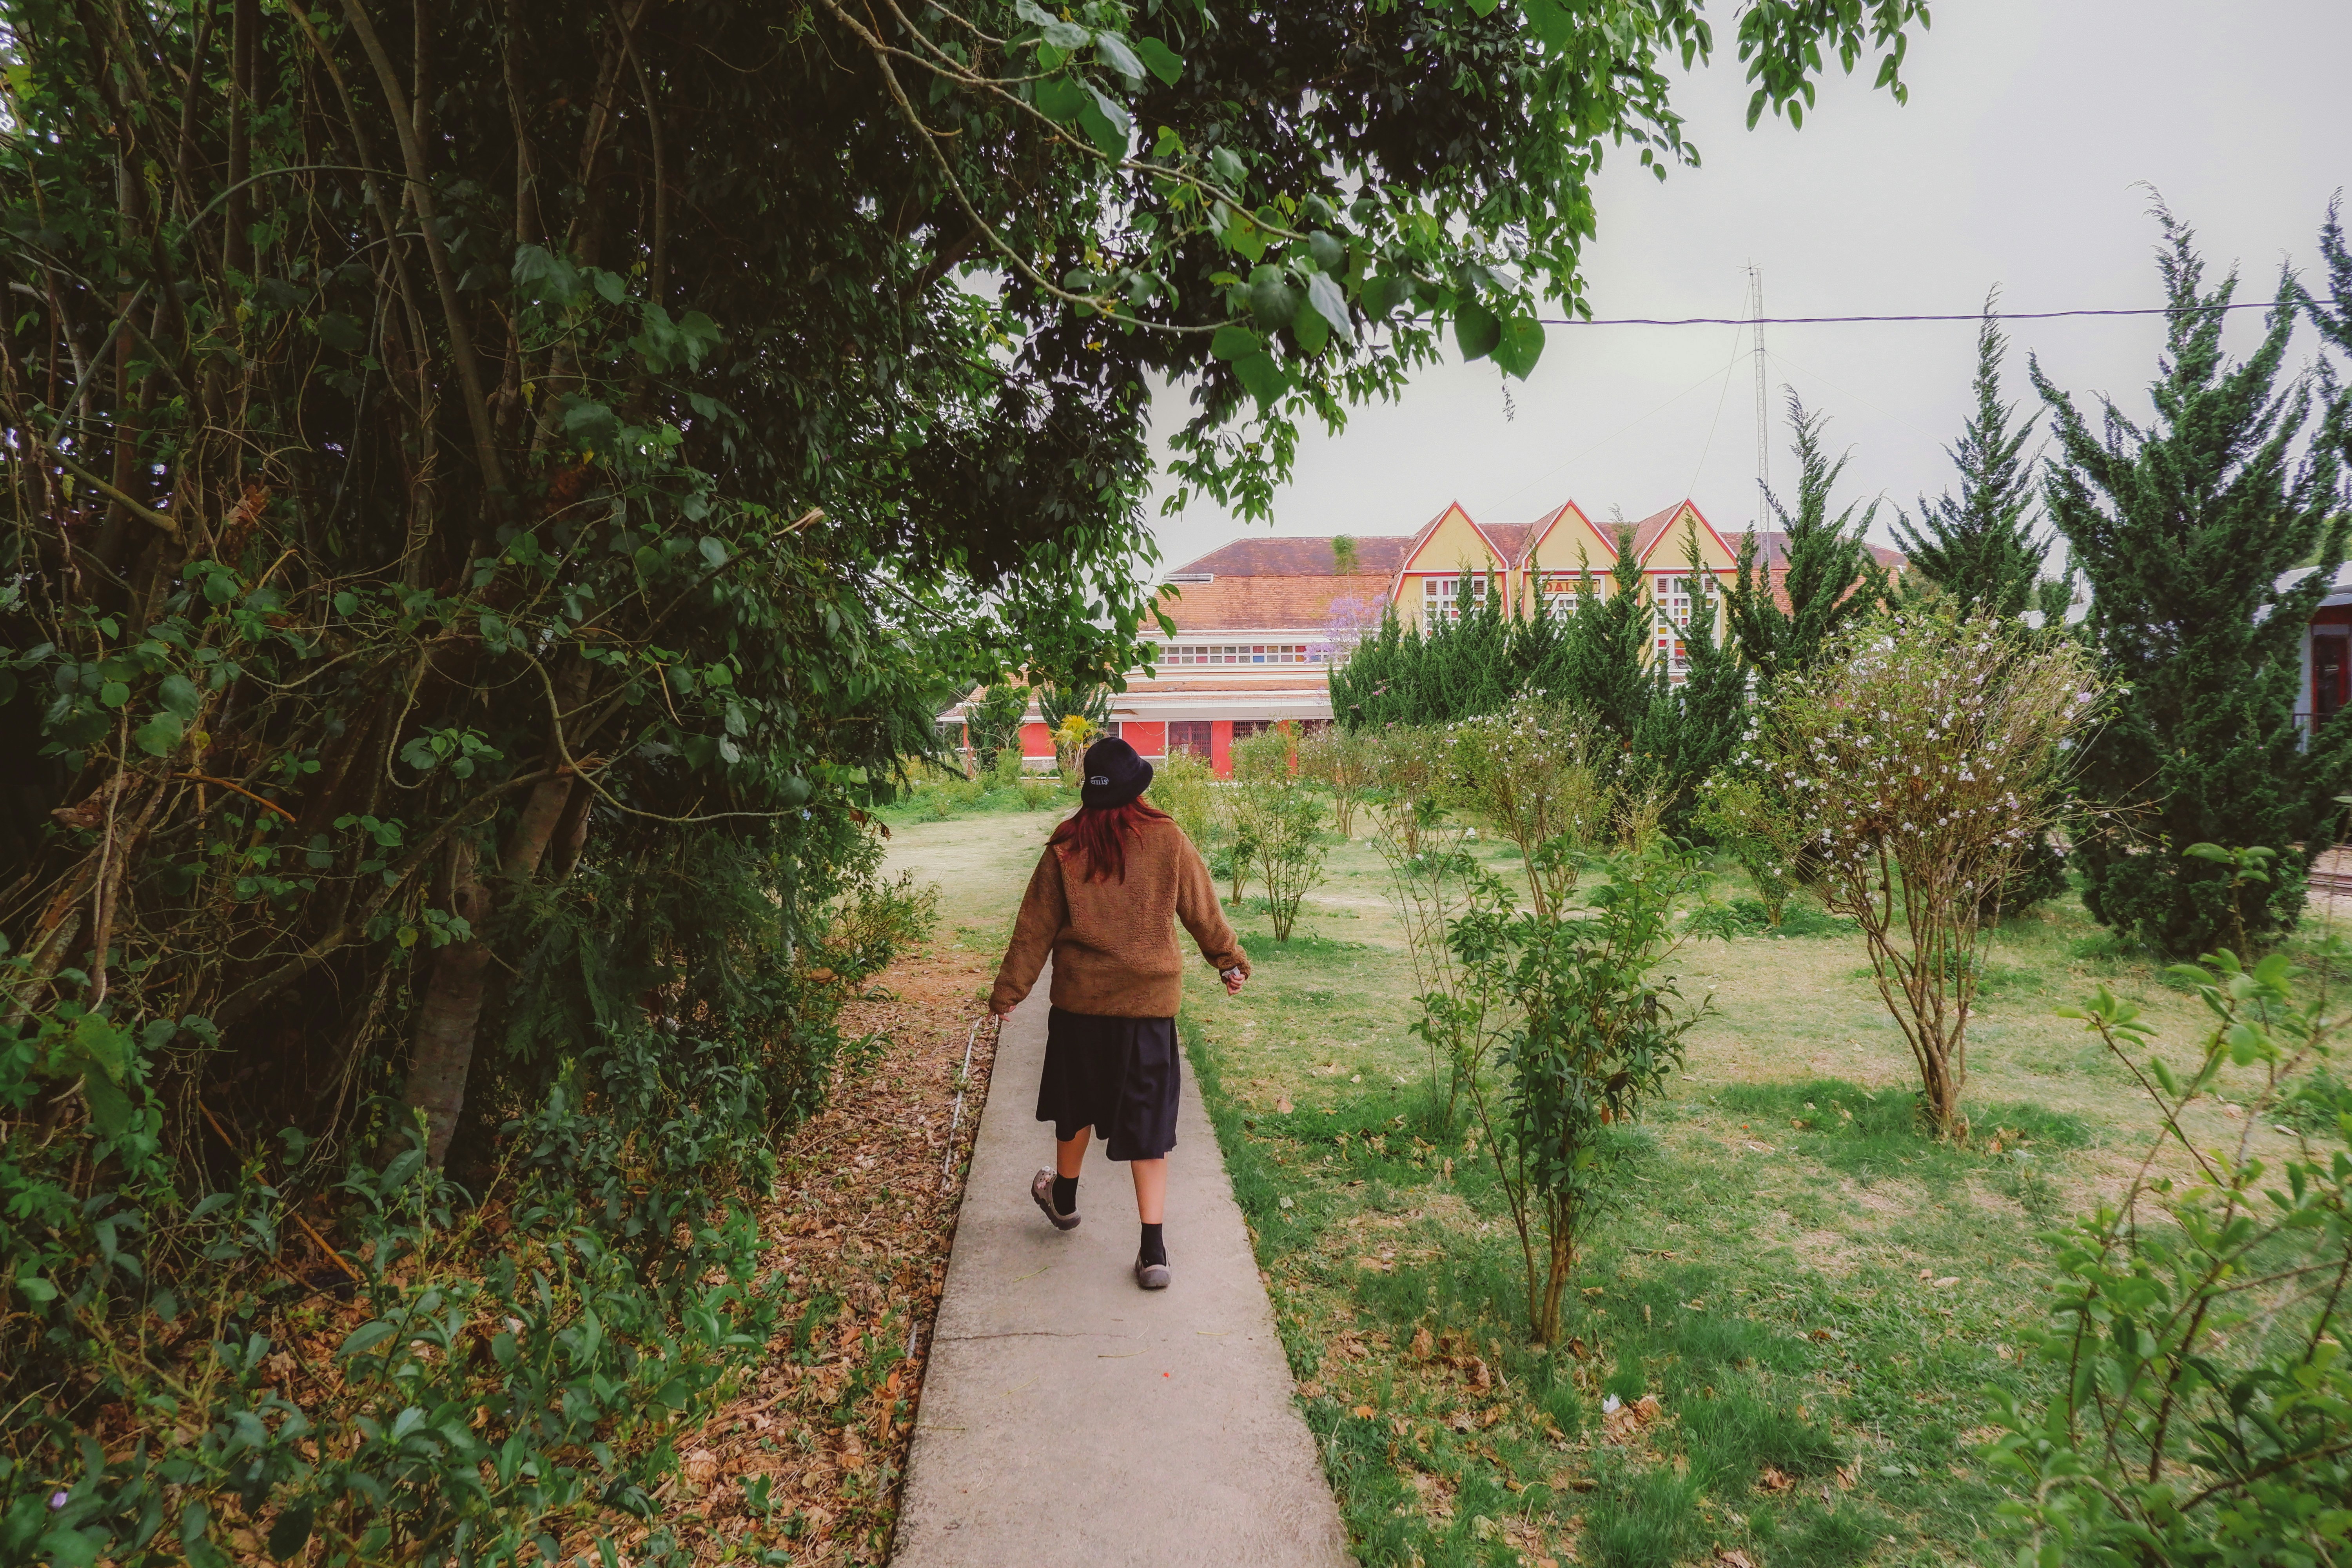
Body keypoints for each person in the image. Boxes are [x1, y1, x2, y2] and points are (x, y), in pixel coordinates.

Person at [989, 735, 1248, 1289]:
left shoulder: (1064, 847)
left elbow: (1032, 930)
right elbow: (1202, 909)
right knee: (1147, 1124)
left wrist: (1009, 993)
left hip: (1081, 1004)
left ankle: (1063, 1197)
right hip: (1149, 1007)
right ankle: (1153, 1251)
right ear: (1137, 789)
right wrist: (1227, 961)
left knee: (1075, 1106)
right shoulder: (1168, 839)